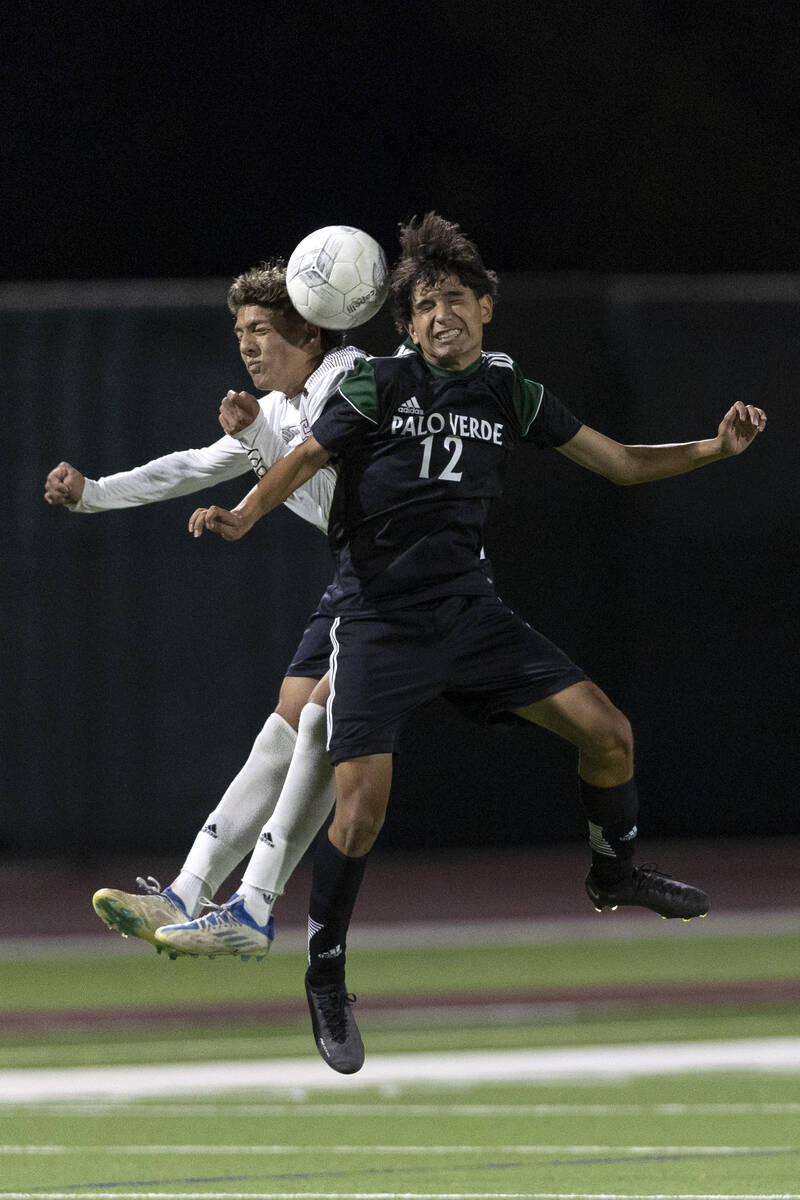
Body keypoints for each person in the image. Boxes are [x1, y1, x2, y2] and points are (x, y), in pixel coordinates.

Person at [192, 212, 767, 1073]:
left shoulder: (509, 390)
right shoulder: (375, 387)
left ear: (486, 307)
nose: (439, 316)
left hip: (470, 615)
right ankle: (324, 972)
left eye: (454, 299)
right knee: (360, 811)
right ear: (406, 323)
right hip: (379, 620)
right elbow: (306, 457)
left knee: (608, 732)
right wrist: (243, 511)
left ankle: (613, 874)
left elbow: (615, 463)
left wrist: (714, 450)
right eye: (423, 306)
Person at [45, 262, 368, 959]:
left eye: (260, 330)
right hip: (360, 578)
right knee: (287, 725)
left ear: (308, 329)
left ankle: (252, 908)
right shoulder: (283, 406)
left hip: (416, 582)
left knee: (319, 717)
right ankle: (186, 894)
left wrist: (258, 445)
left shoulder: (354, 381)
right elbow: (192, 466)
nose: (247, 346)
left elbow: (340, 505)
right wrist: (93, 494)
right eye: (239, 332)